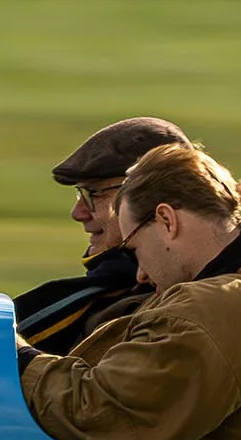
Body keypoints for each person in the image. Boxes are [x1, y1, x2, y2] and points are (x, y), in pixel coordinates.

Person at [17, 143, 241, 440]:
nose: (139, 273)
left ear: (167, 221)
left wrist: (12, 354)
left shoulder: (204, 317)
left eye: (134, 248)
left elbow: (101, 415)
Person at [12, 116, 190, 353]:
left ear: (153, 200)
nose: (78, 213)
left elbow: (78, 388)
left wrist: (12, 347)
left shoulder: (148, 308)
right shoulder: (113, 291)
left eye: (94, 194)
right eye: (81, 194)